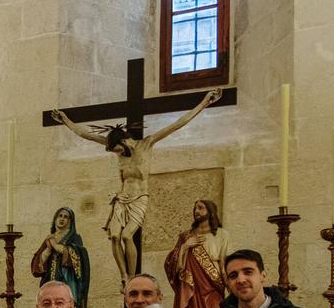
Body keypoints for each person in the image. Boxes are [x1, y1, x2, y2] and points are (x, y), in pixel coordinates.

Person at [50, 88, 223, 279]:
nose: (115, 153)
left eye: (116, 149)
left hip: (140, 198)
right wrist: (65, 120)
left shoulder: (146, 144)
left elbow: (177, 124)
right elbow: (85, 135)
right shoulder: (117, 150)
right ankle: (124, 276)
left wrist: (205, 102)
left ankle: (132, 277)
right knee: (115, 236)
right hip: (122, 198)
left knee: (126, 236)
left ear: (124, 141)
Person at [164, 199, 230, 308]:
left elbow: (224, 262)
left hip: (213, 285)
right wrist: (185, 247)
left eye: (200, 208)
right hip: (191, 287)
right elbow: (174, 265)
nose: (196, 211)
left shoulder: (221, 234)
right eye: (195, 208)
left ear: (210, 211)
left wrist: (229, 285)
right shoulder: (186, 237)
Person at [31, 207, 91, 308]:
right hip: (51, 280)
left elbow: (75, 256)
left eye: (66, 217)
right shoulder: (49, 238)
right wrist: (48, 249)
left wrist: (54, 244)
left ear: (70, 221)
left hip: (70, 281)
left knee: (67, 306)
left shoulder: (74, 238)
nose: (62, 219)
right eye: (60, 216)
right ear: (55, 219)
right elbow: (37, 264)